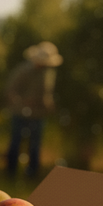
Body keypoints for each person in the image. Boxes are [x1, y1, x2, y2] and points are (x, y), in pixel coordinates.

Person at [4, 40, 63, 179]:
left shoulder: (48, 73)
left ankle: (32, 173)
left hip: (38, 114)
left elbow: (46, 94)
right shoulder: (23, 71)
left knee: (35, 144)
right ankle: (10, 171)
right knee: (16, 141)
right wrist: (22, 103)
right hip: (21, 112)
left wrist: (48, 105)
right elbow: (11, 91)